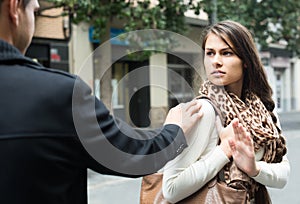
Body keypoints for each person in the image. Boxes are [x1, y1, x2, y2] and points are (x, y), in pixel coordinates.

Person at [0, 0, 204, 203]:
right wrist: (174, 131)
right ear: (14, 7)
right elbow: (133, 154)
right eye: (34, 11)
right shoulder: (59, 94)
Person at [161, 20, 290, 203]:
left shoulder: (264, 111)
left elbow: (283, 175)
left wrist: (254, 169)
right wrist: (224, 150)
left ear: (245, 61)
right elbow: (171, 189)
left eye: (226, 53)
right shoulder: (204, 111)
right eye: (210, 53)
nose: (216, 61)